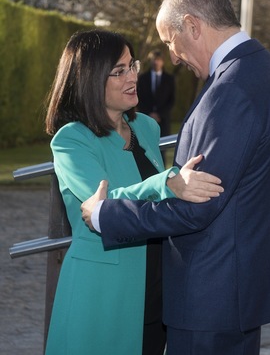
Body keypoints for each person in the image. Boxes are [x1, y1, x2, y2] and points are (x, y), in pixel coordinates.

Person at [81, 0, 270, 355]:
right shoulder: (267, 71)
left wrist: (105, 215)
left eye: (170, 41)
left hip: (210, 296)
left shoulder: (230, 90)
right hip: (237, 291)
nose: (175, 56)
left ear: (193, 26)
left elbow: (195, 207)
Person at [44, 29, 223, 355]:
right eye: (119, 71)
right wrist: (167, 183)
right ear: (90, 79)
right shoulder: (71, 139)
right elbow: (103, 208)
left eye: (132, 66)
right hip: (101, 292)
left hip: (154, 292)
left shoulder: (147, 128)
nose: (132, 77)